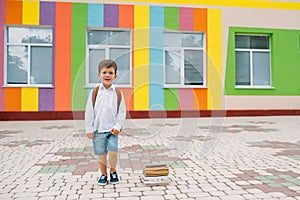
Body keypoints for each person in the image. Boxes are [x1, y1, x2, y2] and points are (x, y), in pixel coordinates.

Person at [85, 59, 126, 185]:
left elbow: (122, 112)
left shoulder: (118, 93)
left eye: (110, 72)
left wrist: (118, 126)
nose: (107, 75)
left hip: (112, 130)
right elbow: (89, 111)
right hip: (98, 129)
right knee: (101, 154)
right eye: (104, 72)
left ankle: (113, 171)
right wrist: (89, 128)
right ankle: (103, 174)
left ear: (115, 76)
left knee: (113, 151)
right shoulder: (95, 92)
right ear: (99, 75)